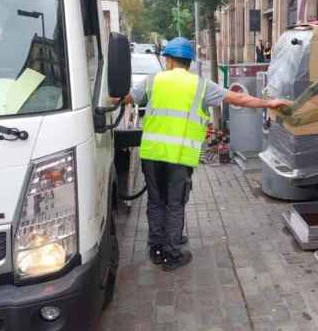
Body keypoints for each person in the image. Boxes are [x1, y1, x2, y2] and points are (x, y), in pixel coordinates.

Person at [121, 37, 291, 271]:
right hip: (179, 157)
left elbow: (125, 98)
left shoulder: (153, 80)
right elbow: (239, 98)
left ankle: (156, 249)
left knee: (155, 202)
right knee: (174, 204)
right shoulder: (200, 85)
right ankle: (171, 255)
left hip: (151, 154)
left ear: (168, 60)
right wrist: (269, 103)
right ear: (189, 62)